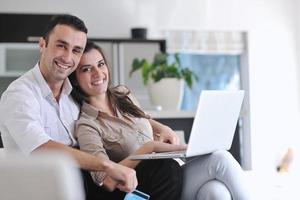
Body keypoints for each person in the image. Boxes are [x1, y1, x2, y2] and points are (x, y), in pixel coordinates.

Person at [70, 40, 250, 200]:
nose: (97, 73)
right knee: (220, 159)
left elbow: (141, 119)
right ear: (76, 80)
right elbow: (105, 181)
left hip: (172, 175)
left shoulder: (123, 94)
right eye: (86, 69)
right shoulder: (87, 125)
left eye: (100, 64)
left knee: (216, 192)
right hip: (150, 189)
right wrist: (149, 148)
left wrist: (161, 127)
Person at [0, 14, 138, 197]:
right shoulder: (20, 94)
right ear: (42, 44)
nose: (67, 57)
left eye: (76, 50)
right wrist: (107, 165)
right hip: (41, 190)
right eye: (61, 46)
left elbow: (107, 109)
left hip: (81, 184)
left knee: (159, 171)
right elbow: (41, 148)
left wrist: (154, 126)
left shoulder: (73, 94)